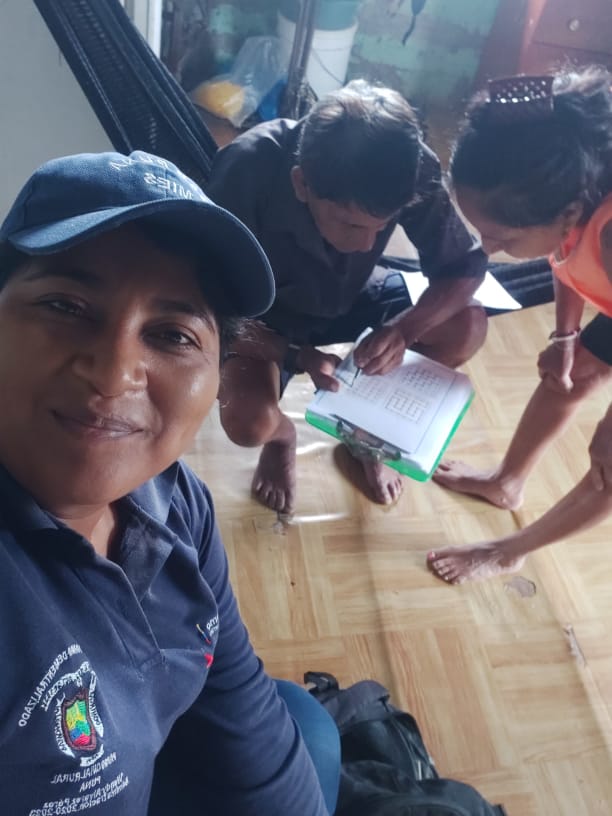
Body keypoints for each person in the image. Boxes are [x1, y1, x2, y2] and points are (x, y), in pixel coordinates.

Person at [0, 149, 340, 815]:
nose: (114, 372)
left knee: (306, 726)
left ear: (217, 376)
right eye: (66, 305)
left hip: (149, 755)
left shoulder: (174, 501)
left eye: (172, 334)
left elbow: (241, 703)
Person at [207, 79, 488, 512]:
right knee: (249, 423)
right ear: (302, 184)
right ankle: (282, 439)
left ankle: (367, 436)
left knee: (467, 325)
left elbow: (464, 269)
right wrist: (295, 355)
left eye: (383, 226)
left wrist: (403, 331)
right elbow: (207, 312)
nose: (366, 243)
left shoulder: (408, 165)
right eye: (352, 225)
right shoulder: (247, 169)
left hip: (353, 292)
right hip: (265, 316)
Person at [427, 68, 612, 584]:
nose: (486, 248)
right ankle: (506, 483)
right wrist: (565, 337)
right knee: (569, 375)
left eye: (503, 238)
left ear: (569, 211)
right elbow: (567, 257)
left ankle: (508, 550)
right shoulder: (579, 189)